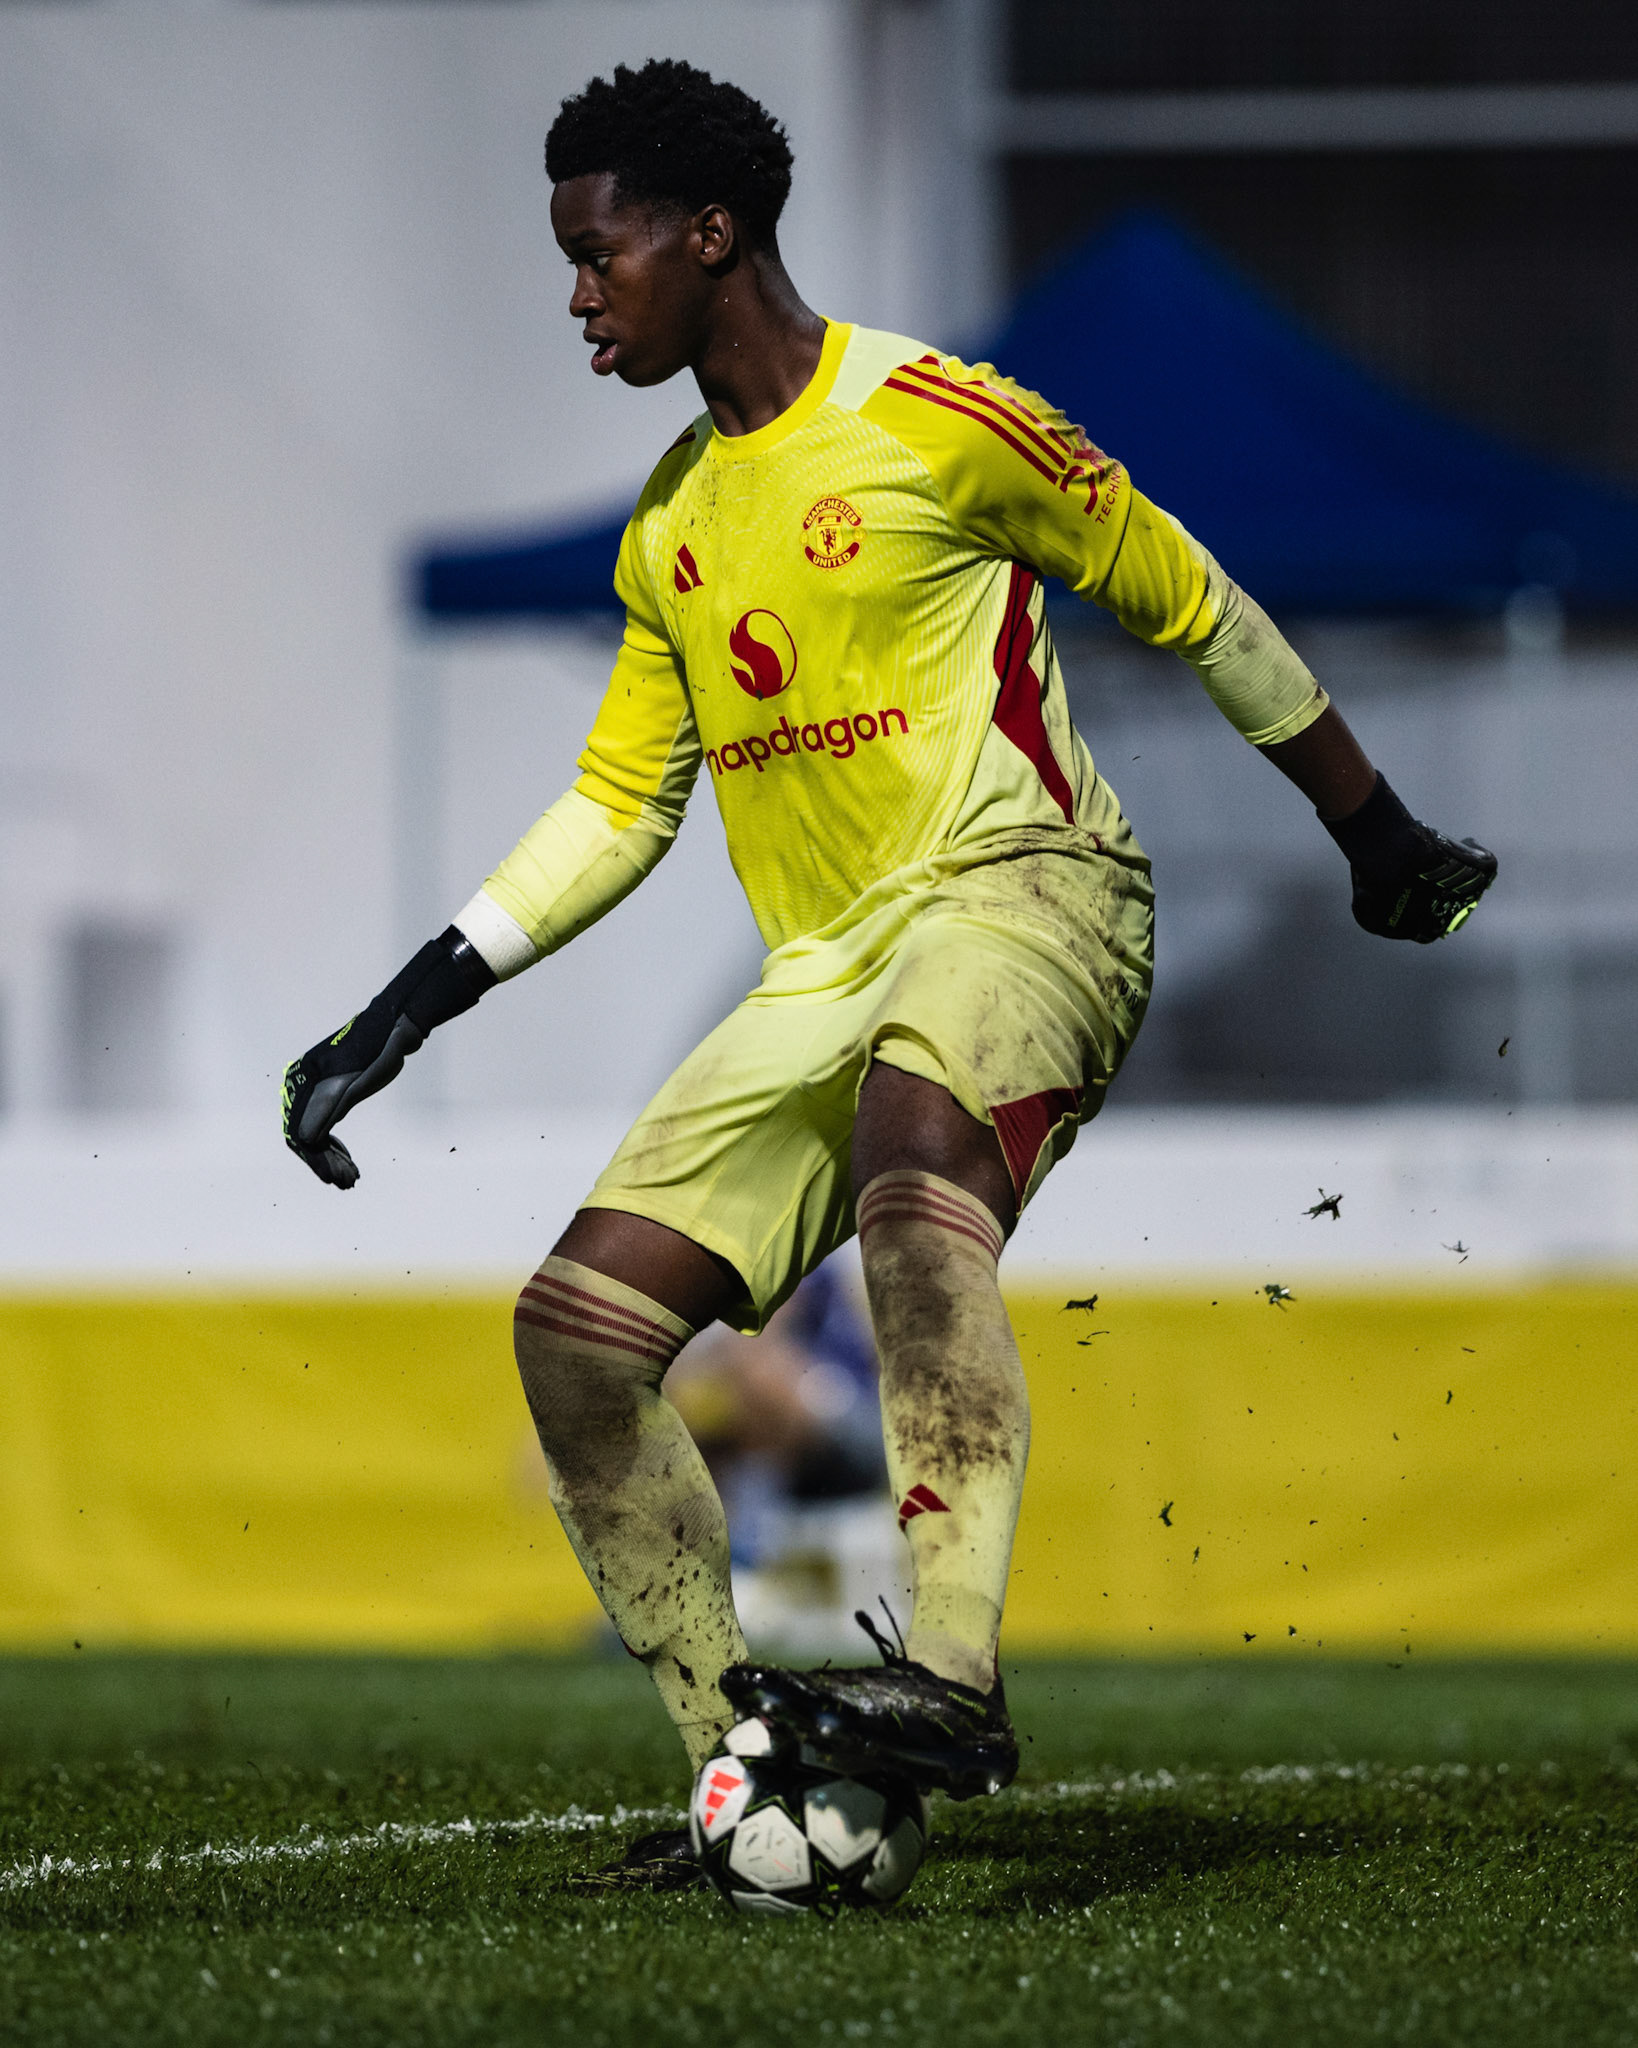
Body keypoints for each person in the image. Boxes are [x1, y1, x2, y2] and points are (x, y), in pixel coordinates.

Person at [281, 59, 1496, 1889]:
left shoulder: (941, 414)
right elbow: (620, 808)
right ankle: (734, 1775)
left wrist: (1373, 825)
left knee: (916, 1162)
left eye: (596, 254)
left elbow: (1177, 586)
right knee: (573, 1343)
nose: (576, 293)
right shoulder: (674, 522)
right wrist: (414, 995)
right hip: (819, 971)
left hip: (1031, 890)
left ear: (711, 235)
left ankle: (949, 1671)